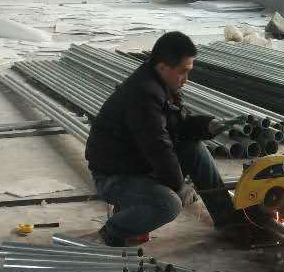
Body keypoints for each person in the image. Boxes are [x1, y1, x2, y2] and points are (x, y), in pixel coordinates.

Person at [85, 31, 244, 247]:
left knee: (194, 149)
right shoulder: (142, 95)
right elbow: (158, 148)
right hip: (114, 177)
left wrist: (208, 125)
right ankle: (113, 230)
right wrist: (179, 187)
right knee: (168, 204)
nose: (186, 80)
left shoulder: (161, 85)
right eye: (183, 72)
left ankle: (229, 221)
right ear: (162, 67)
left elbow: (178, 125)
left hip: (136, 163)